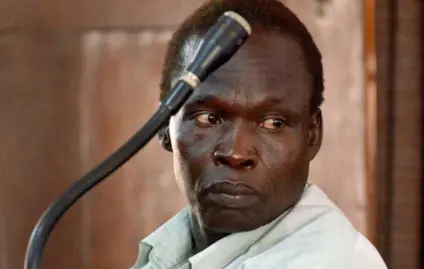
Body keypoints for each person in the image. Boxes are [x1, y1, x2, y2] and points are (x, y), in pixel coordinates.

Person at [132, 0, 388, 268]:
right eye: (208, 118)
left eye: (273, 123)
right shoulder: (170, 251)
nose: (236, 153)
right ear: (163, 125)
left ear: (311, 136)